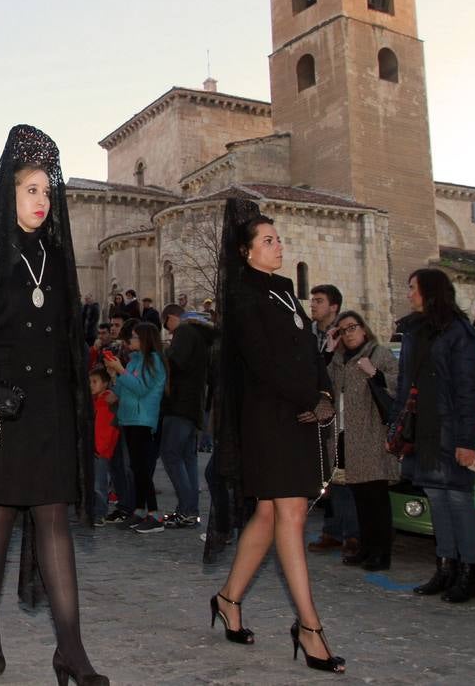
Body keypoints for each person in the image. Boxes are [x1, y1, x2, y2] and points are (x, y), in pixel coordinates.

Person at [0, 125, 106, 685]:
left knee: (53, 518)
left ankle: (71, 651)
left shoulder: (57, 259)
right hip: (3, 410)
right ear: (8, 195)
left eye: (47, 192)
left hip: (50, 409)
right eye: (31, 191)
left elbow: (65, 338)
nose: (41, 202)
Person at [209, 200, 344, 674]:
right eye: (267, 240)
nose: (278, 244)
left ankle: (228, 599)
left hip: (300, 411)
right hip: (270, 418)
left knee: (269, 515)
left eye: (278, 237)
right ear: (246, 253)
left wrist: (324, 391)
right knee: (289, 514)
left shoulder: (286, 291)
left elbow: (310, 352)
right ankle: (309, 628)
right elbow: (263, 363)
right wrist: (311, 398)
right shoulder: (244, 296)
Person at [394, 268, 475, 603]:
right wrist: (400, 428)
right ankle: (445, 566)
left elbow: (467, 389)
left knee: (459, 499)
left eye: (413, 288)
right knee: (436, 497)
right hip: (424, 428)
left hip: (450, 427)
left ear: (430, 291)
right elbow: (405, 384)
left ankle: (469, 572)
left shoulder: (458, 332)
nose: (409, 294)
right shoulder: (414, 331)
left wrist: (467, 440)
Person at [325, 310, 399, 571]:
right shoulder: (340, 360)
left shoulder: (379, 354)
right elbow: (327, 386)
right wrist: (330, 351)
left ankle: (381, 553)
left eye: (352, 327)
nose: (348, 333)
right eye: (342, 330)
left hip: (372, 436)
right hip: (347, 436)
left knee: (377, 498)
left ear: (364, 329)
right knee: (360, 498)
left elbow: (397, 384)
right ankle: (367, 549)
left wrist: (375, 373)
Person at [306, 283, 359, 558]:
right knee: (329, 475)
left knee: (344, 475)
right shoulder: (311, 333)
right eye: (313, 300)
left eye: (319, 300)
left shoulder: (344, 334)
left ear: (334, 306)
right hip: (320, 412)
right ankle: (333, 529)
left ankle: (351, 534)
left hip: (342, 414)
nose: (313, 304)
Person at [104, 321, 167, 533]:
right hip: (128, 419)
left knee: (142, 468)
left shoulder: (154, 361)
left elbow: (140, 388)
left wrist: (120, 370)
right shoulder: (133, 361)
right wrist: (112, 383)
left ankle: (154, 514)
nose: (130, 340)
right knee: (135, 468)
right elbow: (121, 389)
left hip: (143, 419)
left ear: (144, 339)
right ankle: (140, 510)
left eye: (134, 337)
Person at [160, 302, 215, 528]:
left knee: (171, 454)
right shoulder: (201, 337)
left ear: (173, 317)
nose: (169, 331)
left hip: (180, 403)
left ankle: (187, 508)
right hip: (194, 405)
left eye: (167, 325)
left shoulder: (183, 331)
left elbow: (176, 361)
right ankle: (190, 509)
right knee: (188, 458)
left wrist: (163, 351)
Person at [89, 366, 119, 527]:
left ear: (105, 384)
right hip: (93, 448)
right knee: (94, 483)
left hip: (101, 450)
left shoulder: (108, 400)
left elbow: (111, 429)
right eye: (90, 382)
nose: (91, 385)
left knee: (99, 484)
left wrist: (102, 448)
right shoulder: (93, 402)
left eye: (95, 382)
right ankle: (94, 511)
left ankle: (100, 513)